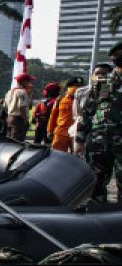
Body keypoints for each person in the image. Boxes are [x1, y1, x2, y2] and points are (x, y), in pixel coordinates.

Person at [78, 42, 122, 201]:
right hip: (99, 141)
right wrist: (80, 138)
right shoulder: (103, 83)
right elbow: (88, 111)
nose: (118, 58)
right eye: (116, 56)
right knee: (95, 184)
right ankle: (97, 217)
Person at [47, 77, 84, 152]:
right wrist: (50, 130)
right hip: (61, 133)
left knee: (76, 159)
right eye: (75, 85)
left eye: (79, 86)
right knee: (57, 157)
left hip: (77, 133)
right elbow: (53, 115)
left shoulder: (84, 100)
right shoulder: (60, 100)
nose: (76, 88)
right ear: (69, 87)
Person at [4, 74, 34, 141]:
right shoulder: (22, 92)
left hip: (10, 118)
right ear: (24, 82)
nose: (30, 83)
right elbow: (22, 107)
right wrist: (25, 119)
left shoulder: (9, 91)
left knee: (9, 141)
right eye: (28, 81)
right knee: (17, 142)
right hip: (19, 119)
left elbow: (5, 105)